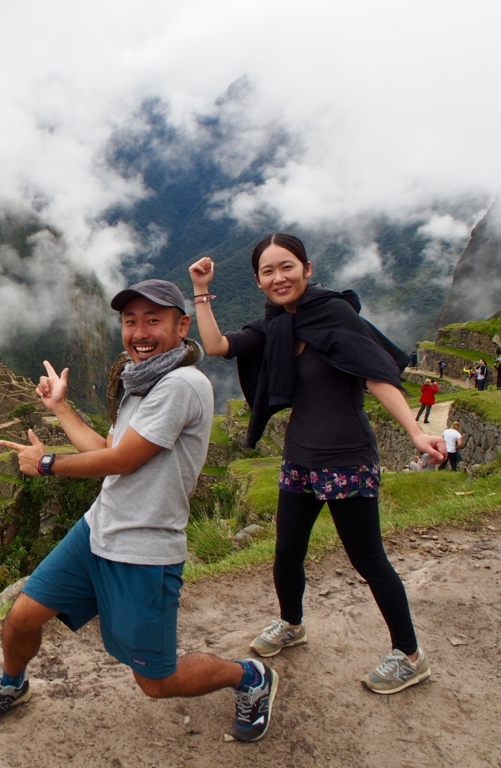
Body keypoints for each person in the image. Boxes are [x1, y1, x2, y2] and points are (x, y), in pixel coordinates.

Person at [0, 279, 278, 742]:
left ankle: (248, 677)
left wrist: (47, 463)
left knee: (156, 681)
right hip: (98, 530)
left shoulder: (181, 384)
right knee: (22, 616)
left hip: (144, 548)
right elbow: (111, 447)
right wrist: (61, 408)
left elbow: (122, 461)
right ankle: (12, 683)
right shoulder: (139, 379)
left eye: (154, 320)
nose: (140, 332)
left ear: (181, 325)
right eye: (131, 321)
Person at [189, 234, 445, 695]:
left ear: (307, 268)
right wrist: (202, 291)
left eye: (286, 267)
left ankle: (410, 655)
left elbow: (375, 374)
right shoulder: (274, 328)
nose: (278, 277)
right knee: (287, 551)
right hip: (301, 461)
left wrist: (414, 431)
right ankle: (292, 623)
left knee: (368, 559)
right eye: (268, 271)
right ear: (257, 281)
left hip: (346, 458)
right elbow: (217, 345)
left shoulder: (335, 315)